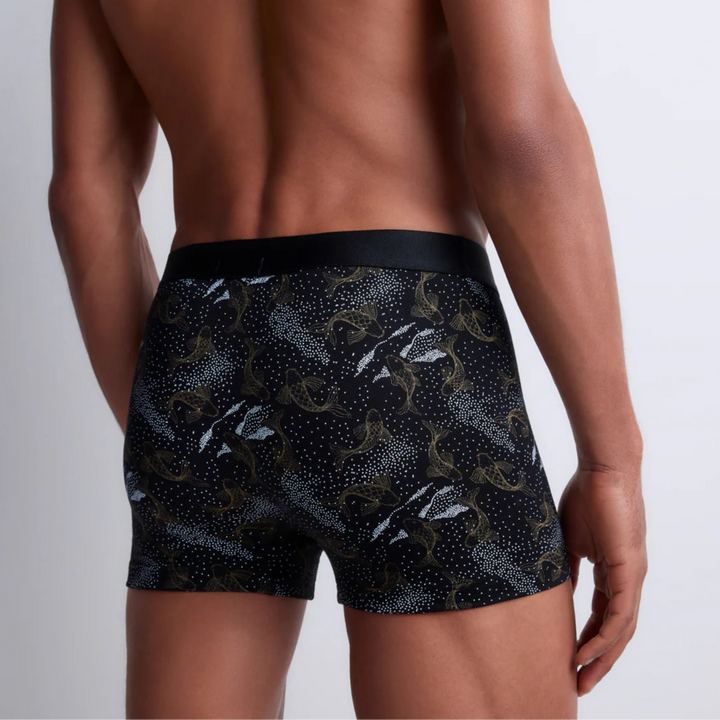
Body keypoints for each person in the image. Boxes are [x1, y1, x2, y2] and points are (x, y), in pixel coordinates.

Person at [48, 1, 647, 718]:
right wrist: (611, 462)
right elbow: (520, 134)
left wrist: (180, 440)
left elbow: (84, 193)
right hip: (398, 337)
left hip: (198, 340)